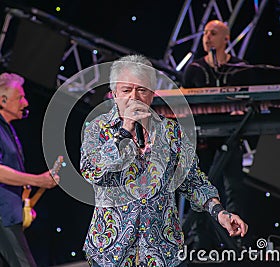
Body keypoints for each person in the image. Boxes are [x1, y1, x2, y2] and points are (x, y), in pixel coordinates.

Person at [80, 54, 248, 267]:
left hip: (162, 250)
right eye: (126, 90)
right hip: (112, 250)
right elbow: (92, 171)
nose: (134, 97)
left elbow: (192, 180)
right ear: (113, 94)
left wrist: (220, 213)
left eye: (141, 90)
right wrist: (124, 132)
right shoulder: (98, 129)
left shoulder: (170, 131)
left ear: (152, 94)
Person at [0, 72, 60, 267]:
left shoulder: (2, 128)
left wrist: (23, 201)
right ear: (2, 101)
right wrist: (38, 180)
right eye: (20, 97)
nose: (25, 103)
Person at [181, 20, 250, 250]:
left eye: (213, 33)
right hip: (202, 141)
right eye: (205, 33)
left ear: (226, 39)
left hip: (232, 138)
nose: (207, 37)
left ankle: (236, 244)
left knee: (234, 190)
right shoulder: (195, 69)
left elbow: (251, 102)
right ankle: (202, 247)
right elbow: (183, 105)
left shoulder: (241, 68)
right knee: (201, 191)